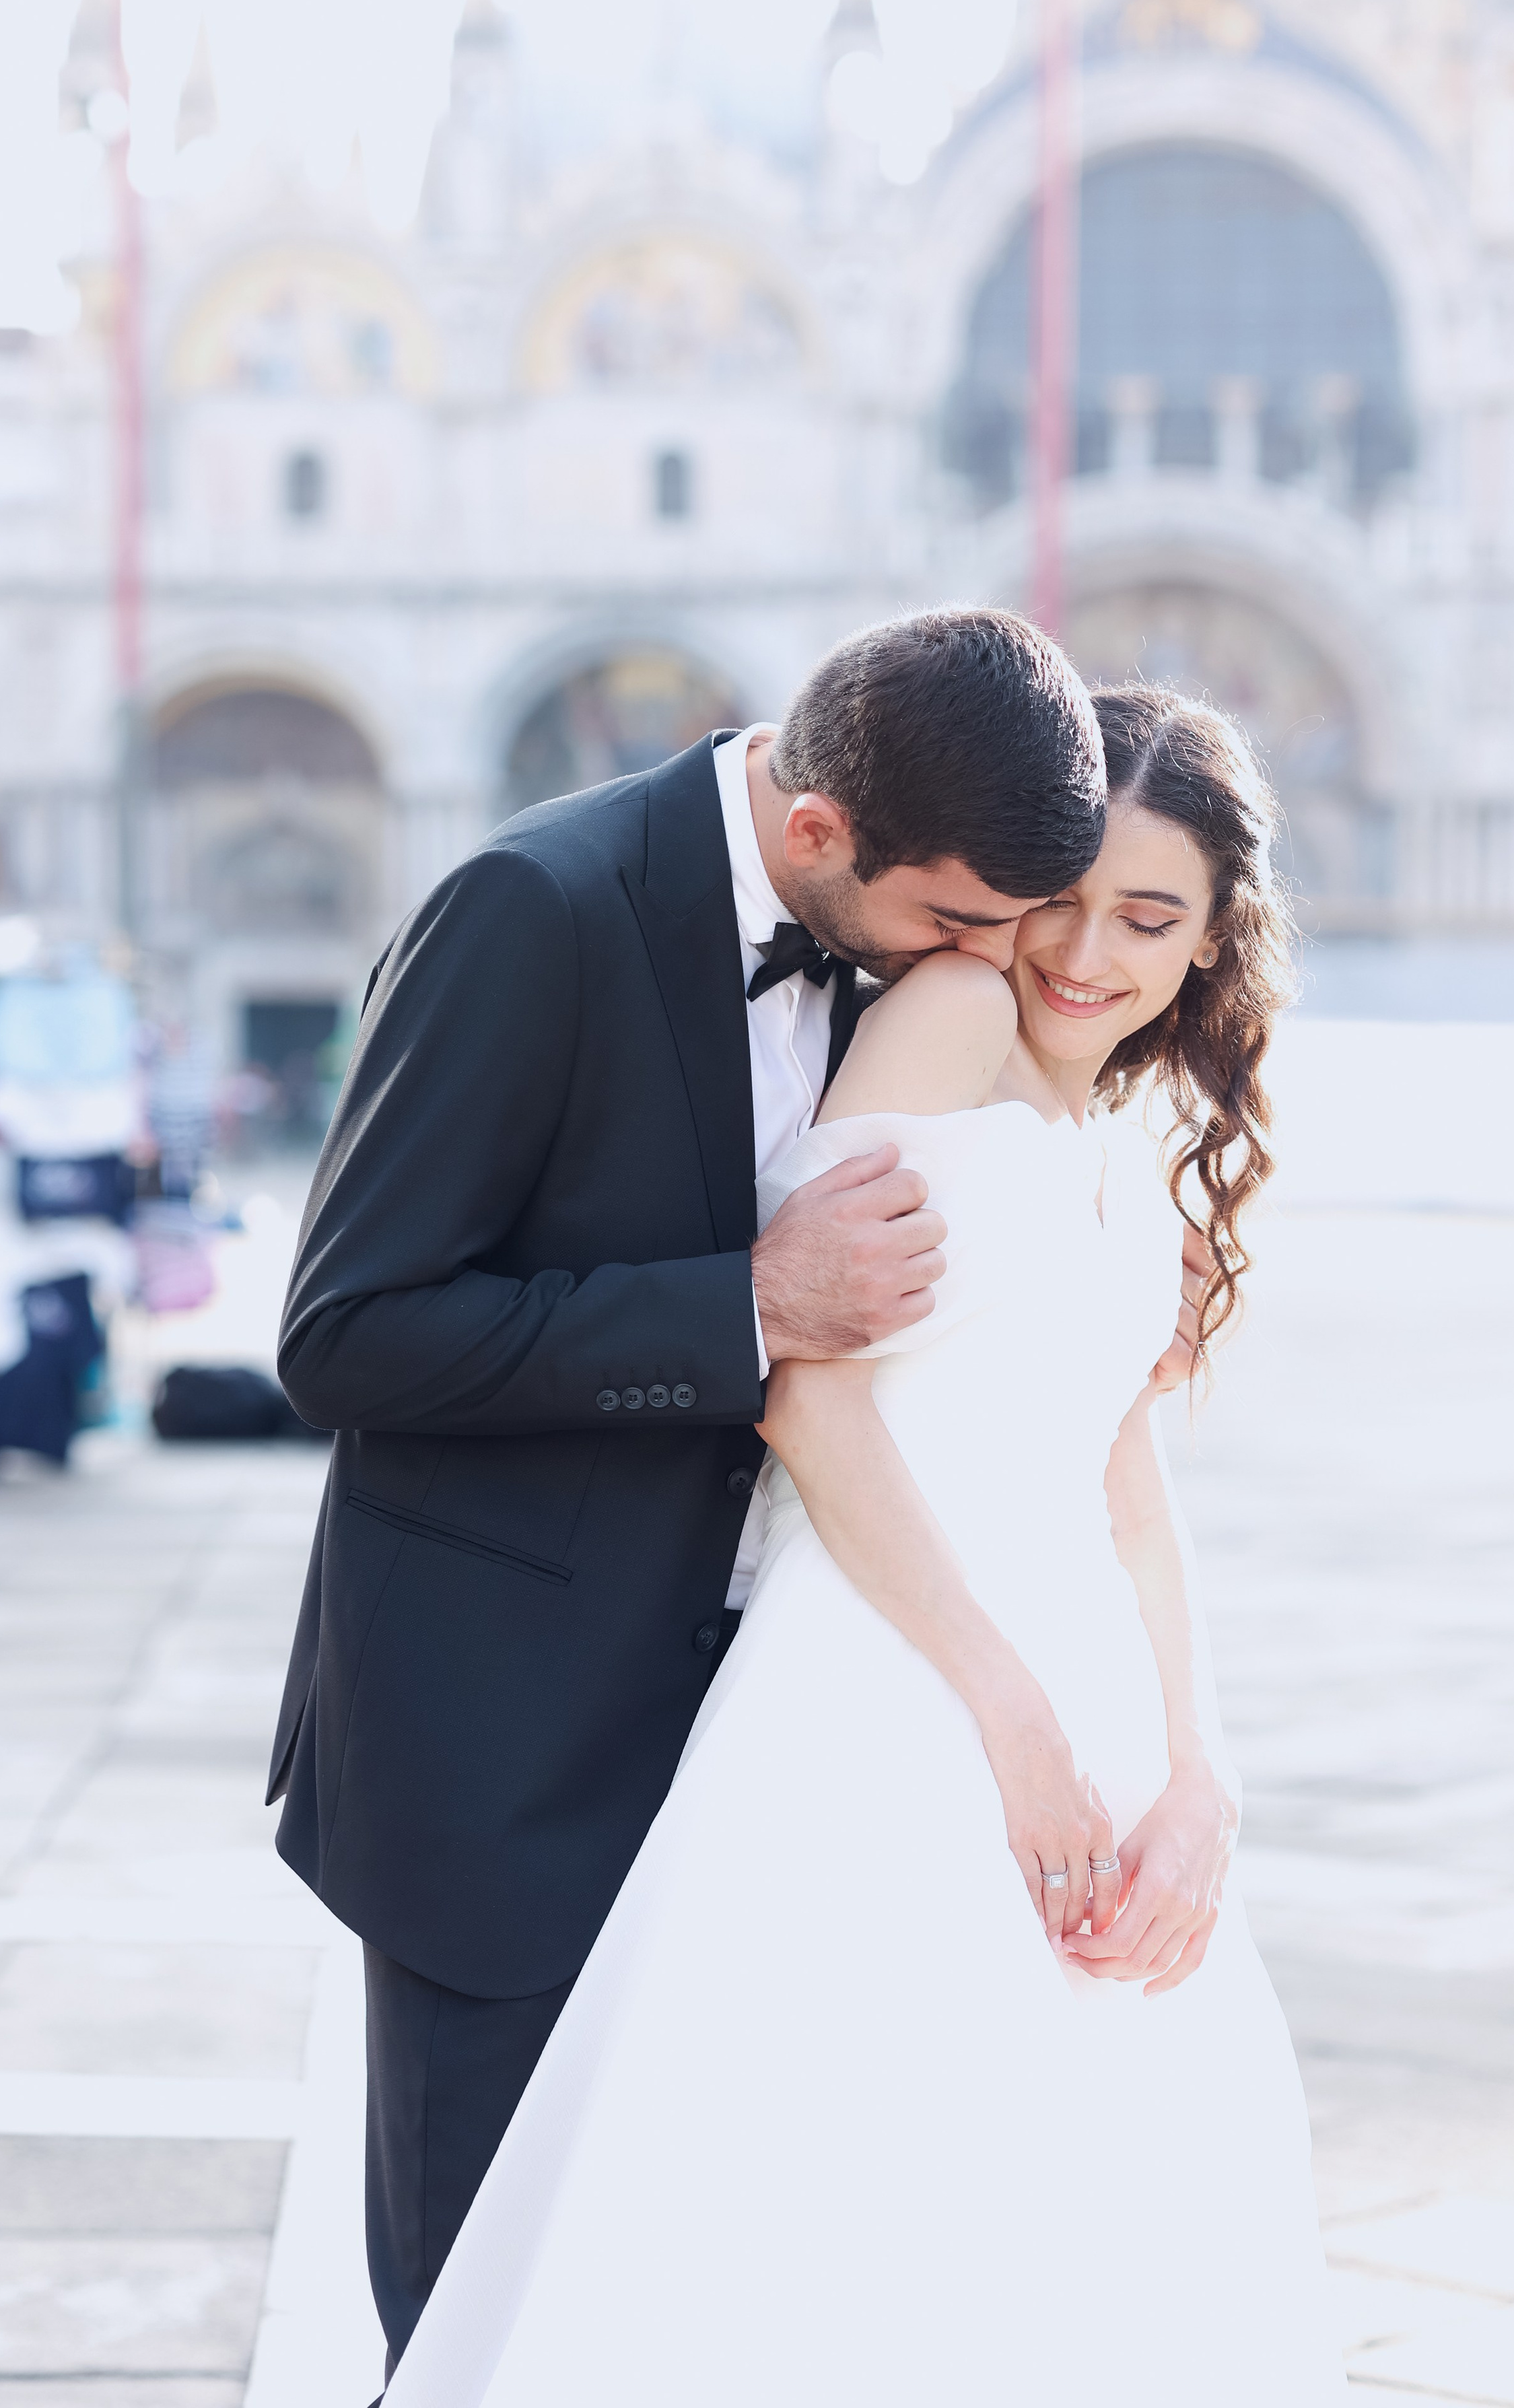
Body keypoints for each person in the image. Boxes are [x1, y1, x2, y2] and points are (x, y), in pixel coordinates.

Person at [380, 679, 1348, 2406]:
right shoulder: (950, 1015)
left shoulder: (1137, 1119)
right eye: (1060, 900)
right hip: (890, 1676)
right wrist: (1007, 1711)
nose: (1084, 956)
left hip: (1084, 1695)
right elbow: (801, 1394)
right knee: (834, 2197)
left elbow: (1123, 1474)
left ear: (1211, 945)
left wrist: (1197, 1766)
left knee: (1083, 2219)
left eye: (1148, 922)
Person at [267, 608, 1138, 2382]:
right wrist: (748, 1303)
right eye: (959, 923)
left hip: (763, 1749)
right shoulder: (533, 910)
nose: (987, 965)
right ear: (819, 837)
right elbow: (348, 1334)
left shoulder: (894, 945)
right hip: (505, 1758)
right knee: (488, 2334)